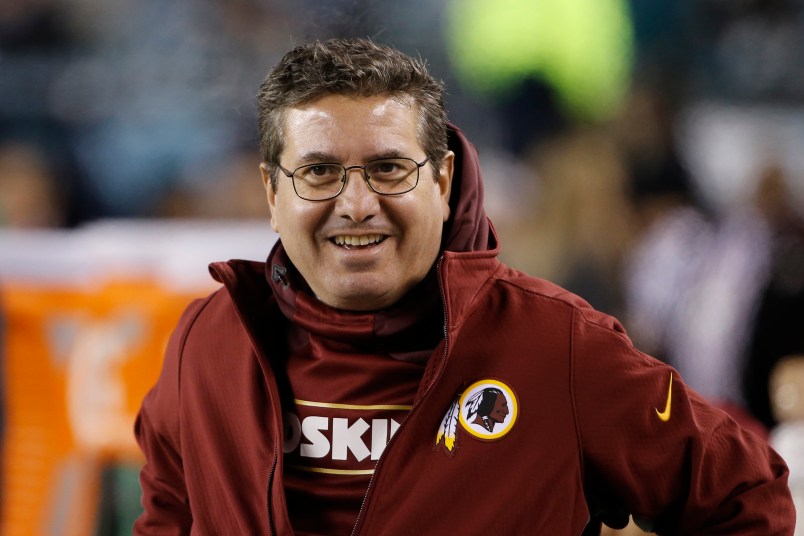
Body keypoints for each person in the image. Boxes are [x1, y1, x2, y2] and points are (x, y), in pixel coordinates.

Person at [133, 38, 796, 535]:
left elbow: (746, 499)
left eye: (390, 168)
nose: (357, 204)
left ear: (443, 183)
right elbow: (168, 515)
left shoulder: (553, 346)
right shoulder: (208, 342)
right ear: (273, 193)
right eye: (319, 173)